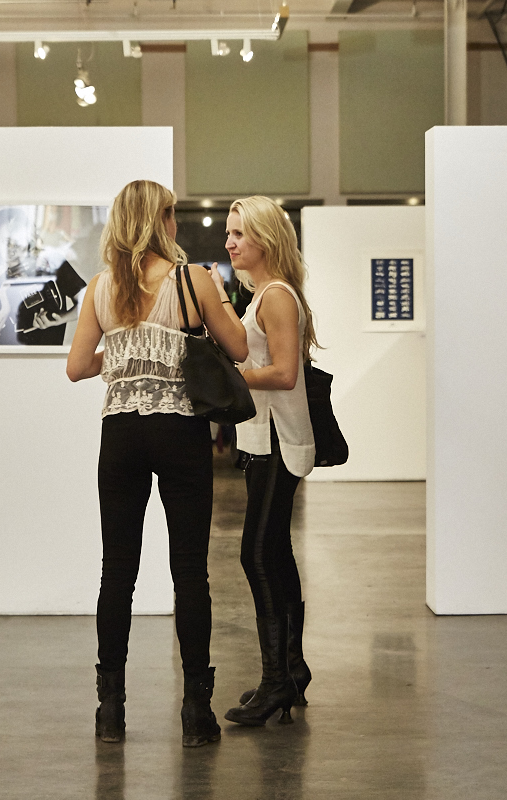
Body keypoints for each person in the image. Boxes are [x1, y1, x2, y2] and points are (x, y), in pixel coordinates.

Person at [66, 180, 248, 747]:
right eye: (172, 215)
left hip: (120, 433)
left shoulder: (101, 287)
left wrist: (123, 351)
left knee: (116, 572)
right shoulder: (195, 280)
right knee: (189, 571)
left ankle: (109, 711)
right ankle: (197, 711)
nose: (176, 224)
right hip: (179, 429)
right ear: (160, 221)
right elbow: (238, 348)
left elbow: (76, 367)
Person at [222, 196, 320, 727]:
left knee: (256, 554)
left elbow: (284, 373)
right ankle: (292, 669)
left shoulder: (276, 295)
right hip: (267, 438)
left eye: (240, 234)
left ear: (266, 238)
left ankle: (276, 681)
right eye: (230, 233)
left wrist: (226, 380)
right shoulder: (262, 294)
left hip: (280, 439)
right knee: (274, 552)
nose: (230, 242)